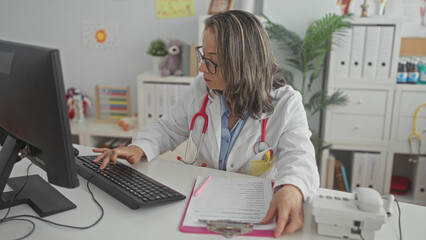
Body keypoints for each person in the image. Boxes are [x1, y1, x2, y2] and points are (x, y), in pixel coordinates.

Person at [93, 10, 319, 238]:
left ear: (243, 63)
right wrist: (138, 148)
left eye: (213, 62)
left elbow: (300, 157)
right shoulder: (201, 88)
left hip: (253, 211)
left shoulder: (286, 103)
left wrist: (292, 188)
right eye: (203, 56)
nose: (201, 68)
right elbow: (167, 128)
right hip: (202, 203)